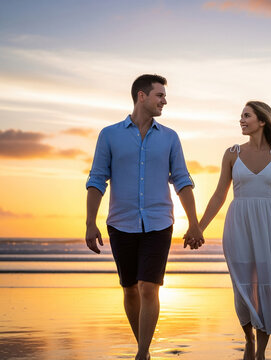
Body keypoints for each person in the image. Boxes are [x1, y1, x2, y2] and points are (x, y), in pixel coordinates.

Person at [85, 74, 204, 360]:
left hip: (159, 222)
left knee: (149, 287)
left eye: (164, 96)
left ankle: (141, 353)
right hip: (120, 223)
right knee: (130, 291)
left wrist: (194, 223)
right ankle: (145, 349)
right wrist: (90, 222)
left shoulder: (170, 137)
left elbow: (182, 181)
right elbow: (97, 180)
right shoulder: (109, 134)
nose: (164, 100)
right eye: (159, 95)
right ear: (142, 96)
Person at [189, 101, 271, 360]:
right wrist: (199, 227)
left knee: (266, 285)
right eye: (241, 116)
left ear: (262, 121)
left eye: (247, 116)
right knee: (242, 286)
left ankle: (261, 352)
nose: (241, 120)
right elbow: (220, 193)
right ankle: (248, 338)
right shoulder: (232, 153)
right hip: (239, 224)